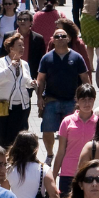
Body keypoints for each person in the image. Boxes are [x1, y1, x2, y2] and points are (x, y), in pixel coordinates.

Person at [37, 27, 91, 160]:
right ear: (52, 40)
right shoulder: (46, 58)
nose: (60, 39)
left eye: (63, 36)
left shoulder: (76, 57)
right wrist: (39, 97)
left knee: (71, 131)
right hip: (51, 100)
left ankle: (68, 155)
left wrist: (84, 99)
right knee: (47, 130)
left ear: (68, 39)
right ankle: (50, 155)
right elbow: (41, 79)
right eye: (57, 37)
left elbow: (85, 79)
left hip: (71, 101)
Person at [53, 84, 98, 198]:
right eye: (83, 100)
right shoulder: (67, 122)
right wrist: (53, 176)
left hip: (90, 174)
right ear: (77, 100)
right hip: (68, 173)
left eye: (90, 99)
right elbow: (61, 151)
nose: (87, 103)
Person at [0, 33, 35, 147]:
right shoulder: (2, 61)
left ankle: (14, 159)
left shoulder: (24, 64)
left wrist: (32, 83)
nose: (22, 48)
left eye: (23, 45)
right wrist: (10, 67)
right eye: (19, 46)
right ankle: (1, 158)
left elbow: (26, 80)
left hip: (21, 104)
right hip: (2, 103)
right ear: (11, 48)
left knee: (17, 135)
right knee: (2, 134)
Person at [14, 10, 47, 80]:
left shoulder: (38, 38)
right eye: (20, 19)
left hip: (30, 75)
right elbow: (3, 56)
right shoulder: (9, 36)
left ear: (31, 22)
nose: (22, 21)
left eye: (25, 19)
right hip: (12, 74)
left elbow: (41, 58)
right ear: (17, 22)